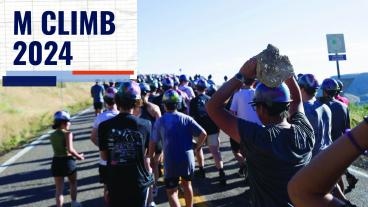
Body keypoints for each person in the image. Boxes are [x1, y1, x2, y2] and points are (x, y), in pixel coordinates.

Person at [206, 58, 315, 207]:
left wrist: (241, 75)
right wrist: (287, 73)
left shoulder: (258, 138)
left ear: (261, 108)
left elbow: (213, 107)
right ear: (286, 106)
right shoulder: (304, 131)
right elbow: (297, 101)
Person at [288, 117, 368, 207]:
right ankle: (343, 199)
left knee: (324, 185)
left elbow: (300, 192)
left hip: (321, 152)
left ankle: (342, 200)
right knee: (335, 182)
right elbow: (345, 127)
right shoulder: (333, 107)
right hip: (334, 146)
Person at [98, 81, 154, 207]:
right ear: (137, 102)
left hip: (115, 181)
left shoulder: (104, 126)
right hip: (138, 181)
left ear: (117, 100)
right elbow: (145, 155)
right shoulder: (146, 125)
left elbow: (104, 157)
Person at [150, 89, 207, 207]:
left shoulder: (160, 121)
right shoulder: (187, 118)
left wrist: (151, 158)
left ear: (164, 105)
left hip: (170, 160)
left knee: (172, 192)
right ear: (178, 104)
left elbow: (153, 142)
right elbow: (203, 133)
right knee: (187, 185)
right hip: (187, 158)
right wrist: (197, 147)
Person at [319, 78, 358, 194]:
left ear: (324, 91)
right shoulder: (343, 107)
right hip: (339, 143)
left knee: (329, 176)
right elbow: (347, 129)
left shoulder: (319, 105)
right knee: (336, 174)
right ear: (336, 92)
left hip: (324, 145)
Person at [189, 78, 226, 185]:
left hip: (199, 130)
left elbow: (192, 117)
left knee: (198, 149)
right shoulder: (211, 99)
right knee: (215, 151)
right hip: (212, 128)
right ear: (206, 88)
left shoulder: (193, 101)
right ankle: (221, 172)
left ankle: (201, 170)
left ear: (196, 88)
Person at [90, 87, 119, 206]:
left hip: (104, 160)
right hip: (120, 158)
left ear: (105, 101)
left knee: (107, 187)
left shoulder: (100, 117)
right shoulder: (122, 116)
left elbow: (92, 137)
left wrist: (103, 147)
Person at [50, 111, 84, 207]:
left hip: (56, 161)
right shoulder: (68, 134)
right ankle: (74, 202)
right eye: (68, 121)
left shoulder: (52, 135)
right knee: (73, 183)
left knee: (59, 189)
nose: (70, 123)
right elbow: (70, 150)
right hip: (67, 161)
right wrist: (79, 156)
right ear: (64, 122)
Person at [229, 78, 261, 178]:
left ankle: (245, 165)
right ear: (254, 82)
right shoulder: (258, 92)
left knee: (236, 150)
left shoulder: (238, 94)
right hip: (258, 127)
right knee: (254, 153)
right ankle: (250, 171)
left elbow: (232, 112)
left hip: (242, 127)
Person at [138, 82, 162, 206]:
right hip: (155, 141)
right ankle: (154, 188)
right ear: (148, 93)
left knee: (144, 168)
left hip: (142, 143)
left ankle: (146, 192)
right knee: (155, 166)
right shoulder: (154, 107)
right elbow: (161, 126)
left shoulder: (135, 108)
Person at [298, 74, 333, 157]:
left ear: (301, 89)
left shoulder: (303, 109)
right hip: (327, 154)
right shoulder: (325, 107)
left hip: (313, 160)